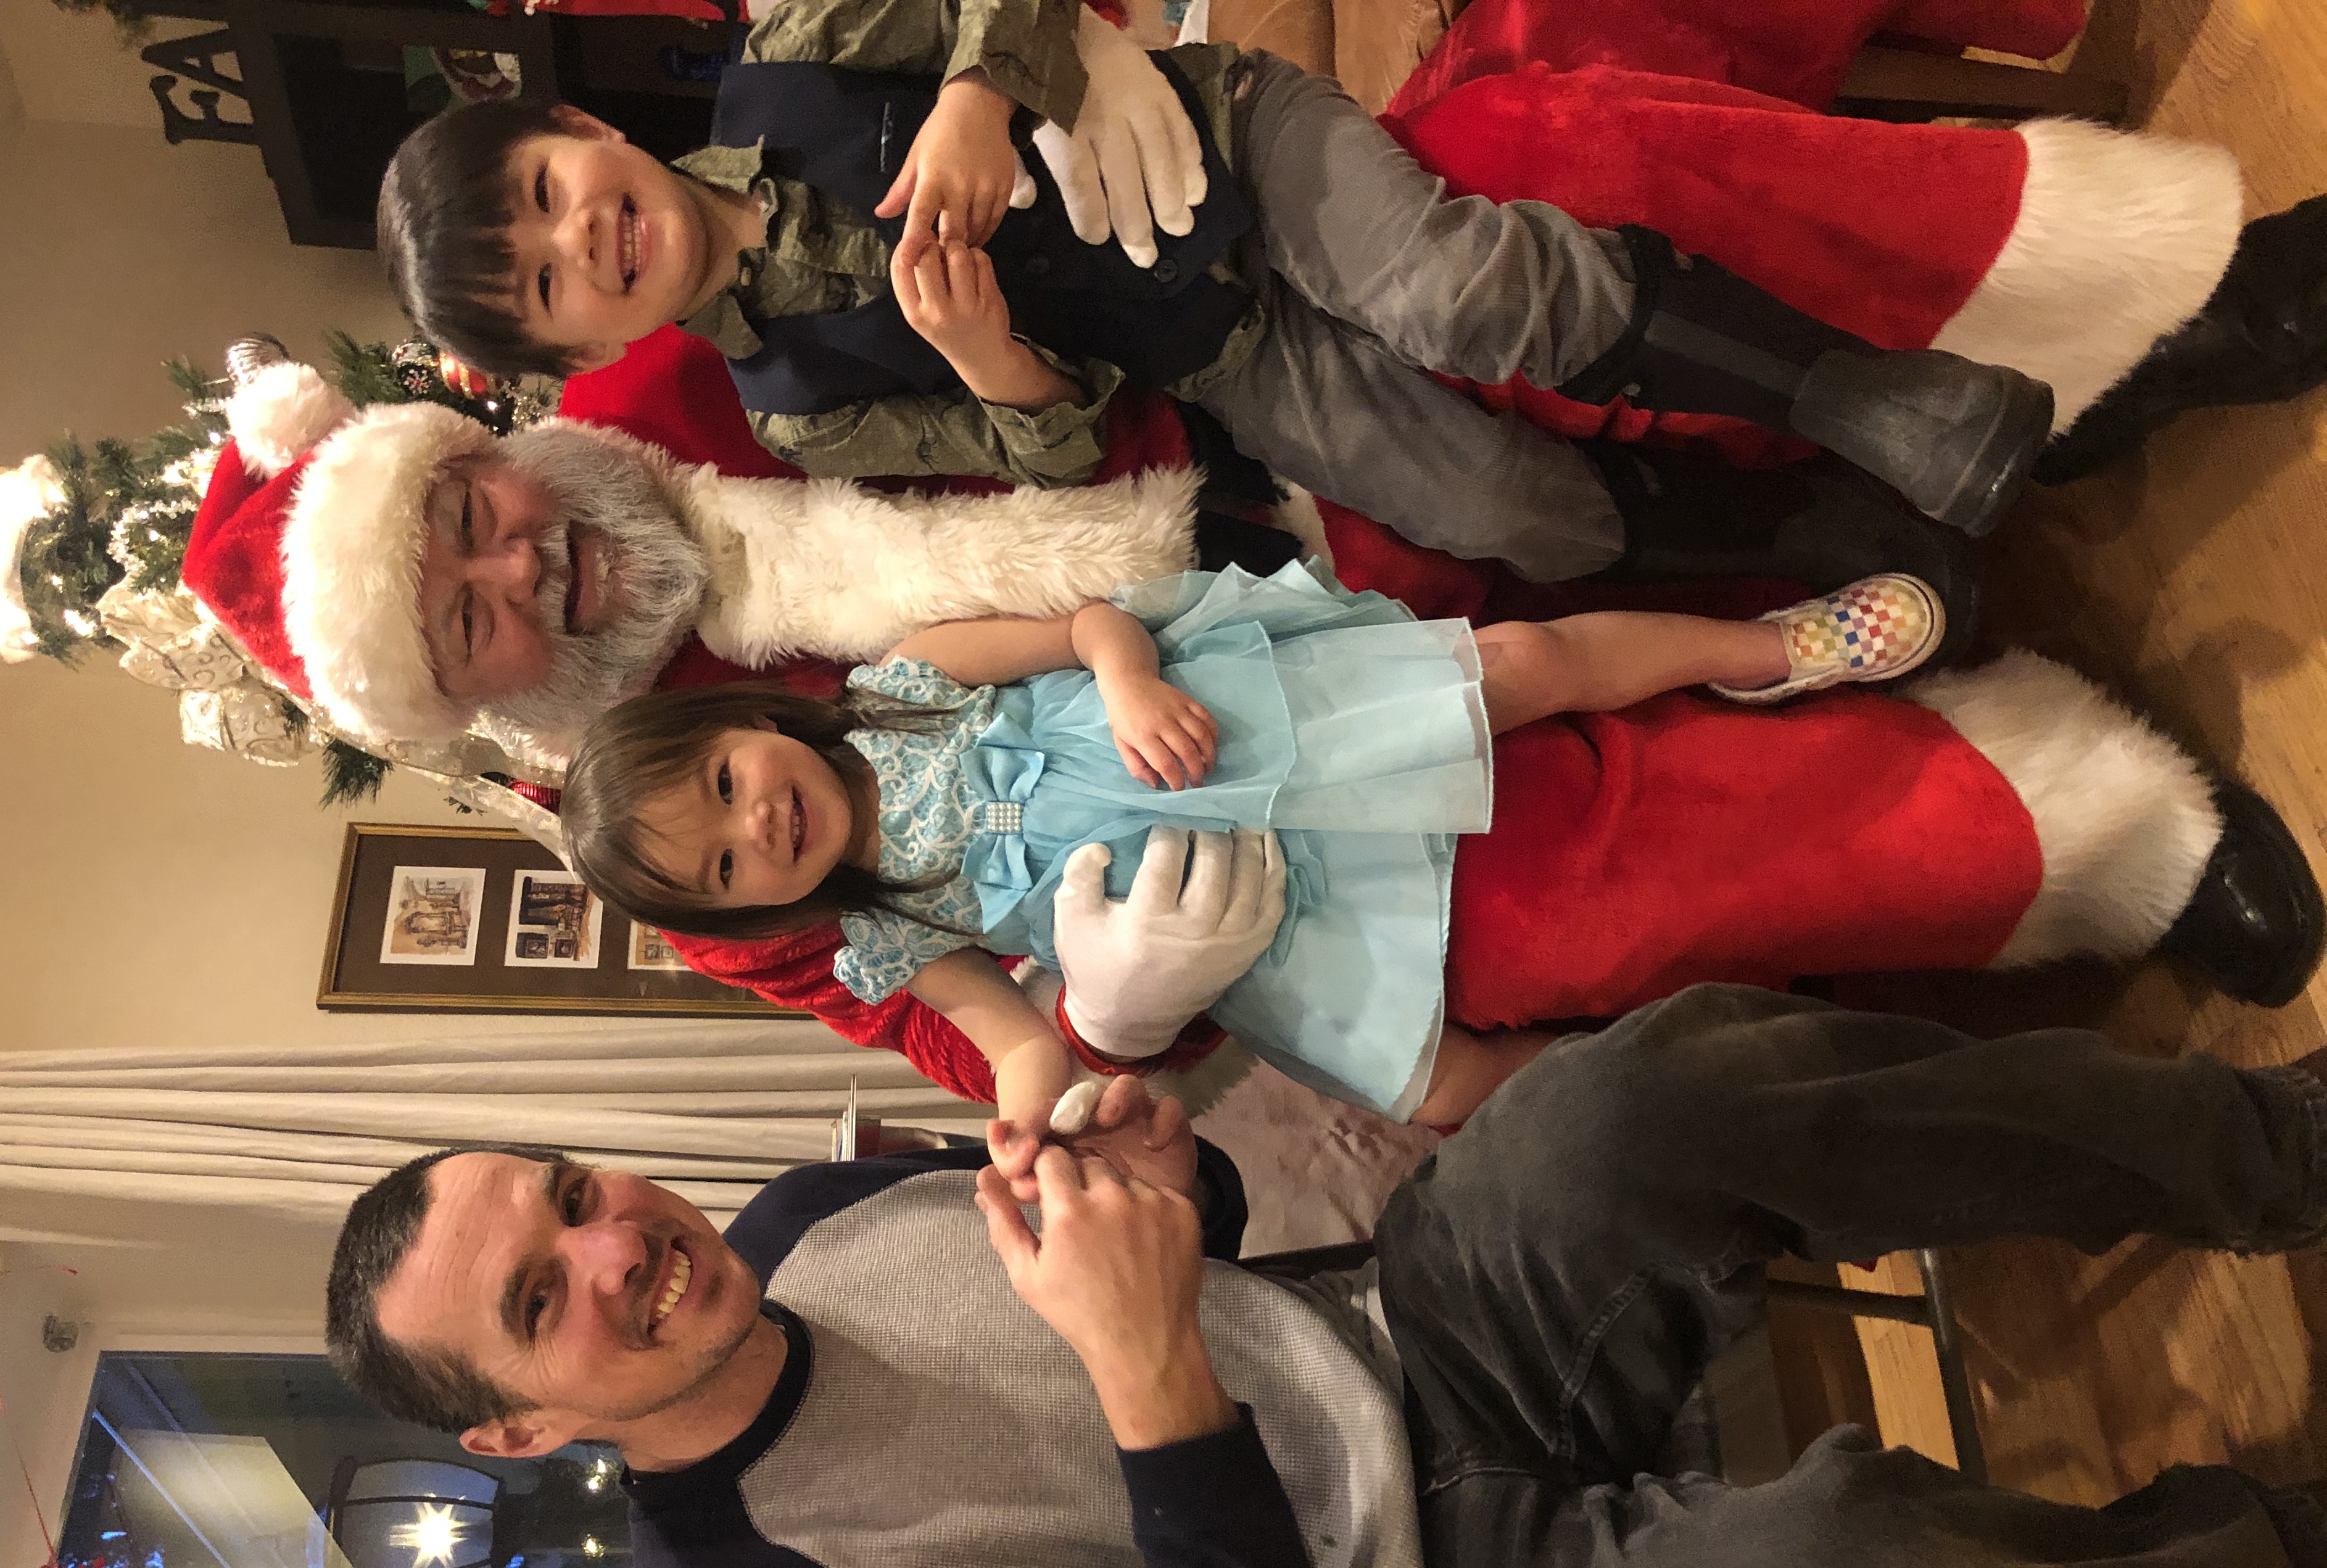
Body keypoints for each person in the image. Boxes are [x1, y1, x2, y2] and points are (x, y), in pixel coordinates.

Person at [323, 988, 2327, 1568]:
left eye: (569, 1195)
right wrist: (1150, 1383)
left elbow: (1169, 1253)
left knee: (1654, 1099)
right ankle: (2274, 1566)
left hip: (1417, 1342)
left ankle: (2270, 1147)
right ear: (520, 1435)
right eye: (540, 1303)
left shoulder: (799, 1218)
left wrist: (1162, 1177)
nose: (616, 1248)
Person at [176, 359, 2327, 1105]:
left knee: (1515, 303)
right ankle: (2075, 827)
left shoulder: (661, 370)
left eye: (469, 517)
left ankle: (2026, 393)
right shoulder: (689, 841)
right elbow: (962, 1031)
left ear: (473, 443)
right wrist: (1095, 1036)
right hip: (1263, 838)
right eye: (462, 621)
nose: (524, 570)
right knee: (1565, 937)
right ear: (475, 705)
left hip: (1233, 518)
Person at [376, 0, 2065, 612]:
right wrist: (995, 365)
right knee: (1509, 516)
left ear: (582, 128)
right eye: (548, 284)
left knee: (1459, 286)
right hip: (1222, 353)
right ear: (587, 354)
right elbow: (1054, 463)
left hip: (1230, 146)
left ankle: (1864, 396)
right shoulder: (797, 410)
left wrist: (976, 91)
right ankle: (1812, 529)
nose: (583, 237)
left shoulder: (789, 52)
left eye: (549, 190)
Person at [556, 560, 1970, 1129]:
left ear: (745, 719)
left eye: (728, 783)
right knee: (1437, 1091)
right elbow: (1019, 1045)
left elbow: (1090, 625)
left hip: (1247, 733)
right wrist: (1029, 1129)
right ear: (744, 920)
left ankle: (1763, 647)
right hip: (1248, 915)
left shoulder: (904, 680)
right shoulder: (884, 935)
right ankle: (1732, 1061)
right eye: (727, 866)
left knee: (1524, 663)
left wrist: (1125, 680)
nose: (759, 823)